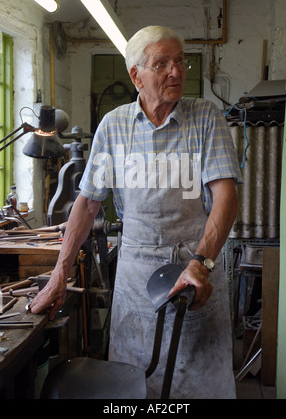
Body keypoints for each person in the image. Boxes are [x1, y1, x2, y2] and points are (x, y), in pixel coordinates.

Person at [31, 25, 241, 399]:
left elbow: (226, 198)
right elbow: (87, 202)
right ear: (136, 76)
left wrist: (201, 263)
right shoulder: (113, 127)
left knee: (198, 386)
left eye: (180, 62)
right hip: (136, 276)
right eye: (162, 64)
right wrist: (58, 273)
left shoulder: (205, 119)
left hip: (195, 271)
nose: (176, 71)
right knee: (134, 385)